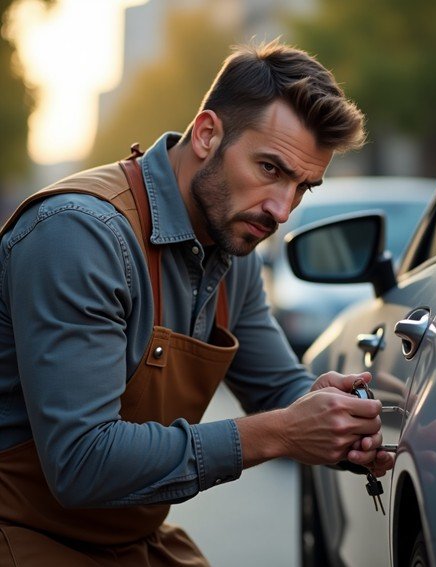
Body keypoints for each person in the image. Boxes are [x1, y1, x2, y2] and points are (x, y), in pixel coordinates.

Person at [0, 40, 394, 565]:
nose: (281, 210)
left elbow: (279, 389)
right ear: (208, 134)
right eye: (270, 169)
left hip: (128, 539)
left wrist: (340, 423)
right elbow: (82, 463)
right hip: (22, 533)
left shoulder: (234, 245)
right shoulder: (80, 236)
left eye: (303, 187)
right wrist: (282, 432)